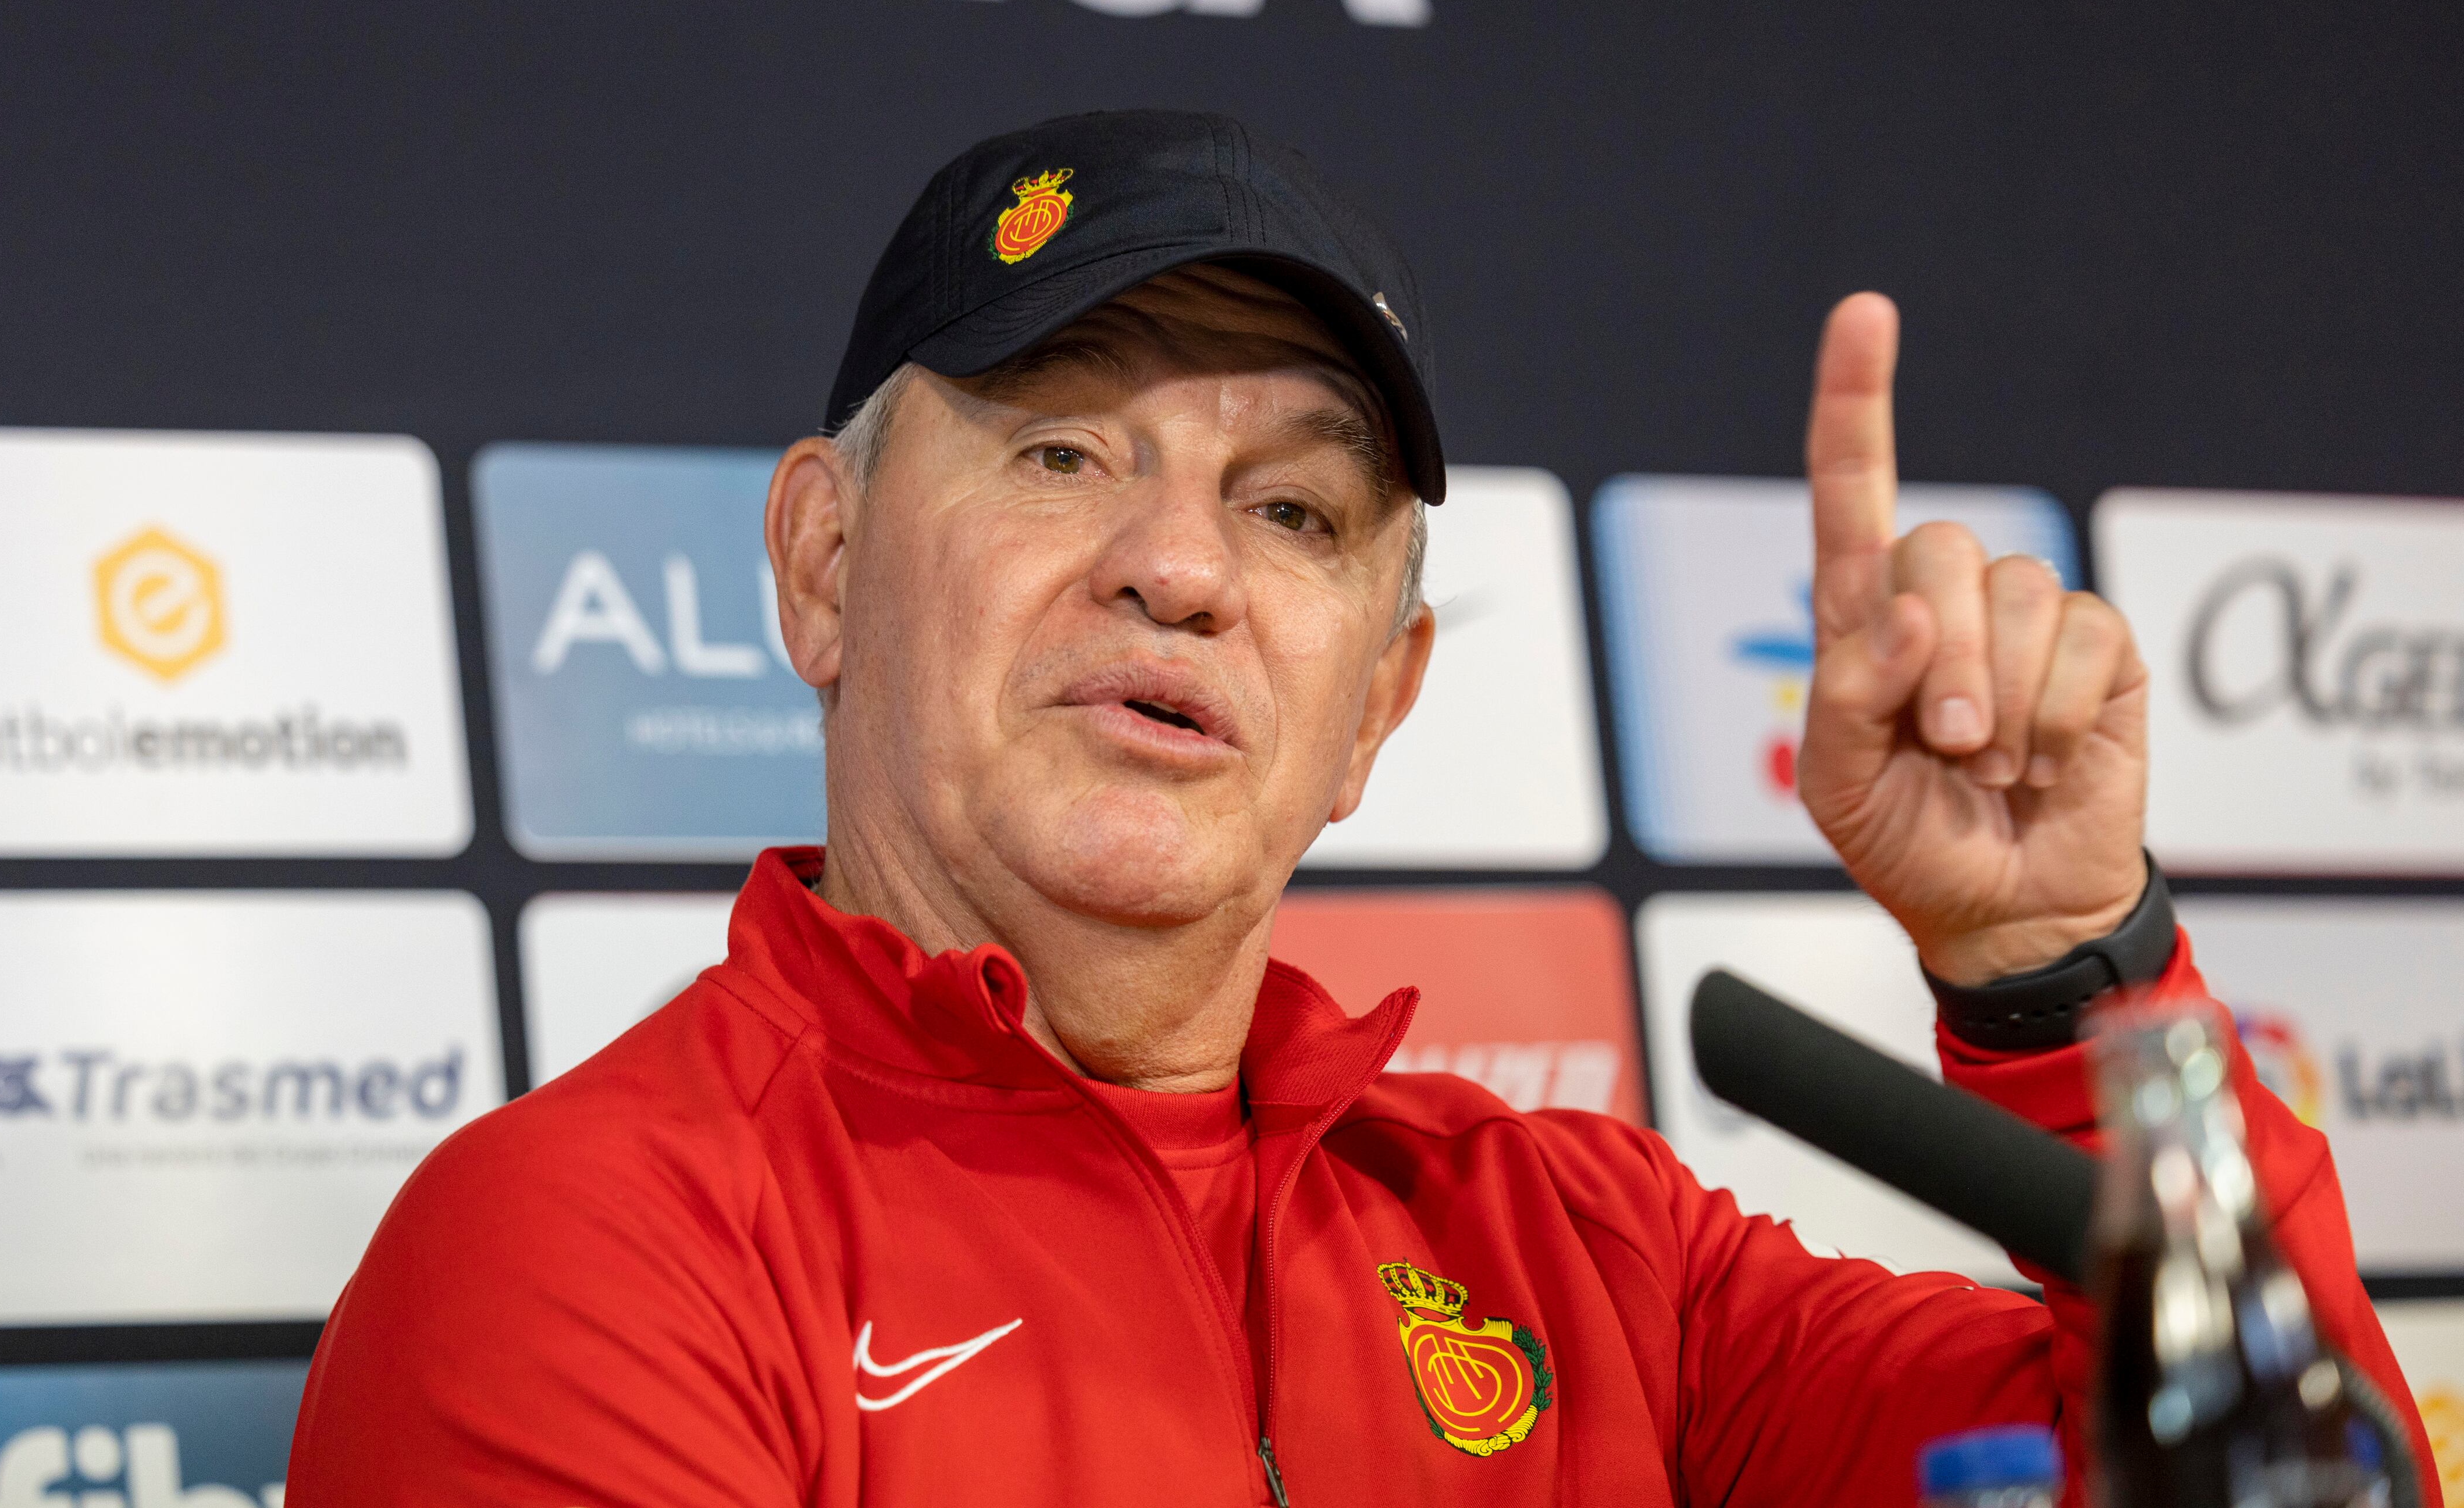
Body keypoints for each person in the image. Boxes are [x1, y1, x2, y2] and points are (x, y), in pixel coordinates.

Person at [287, 110, 2429, 1505]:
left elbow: (2274, 1478)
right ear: (825, 564)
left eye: (1293, 507)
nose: (1182, 566)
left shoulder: (1592, 1256)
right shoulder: (593, 1253)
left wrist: (2066, 962)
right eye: (1061, 452)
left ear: (1379, 701)